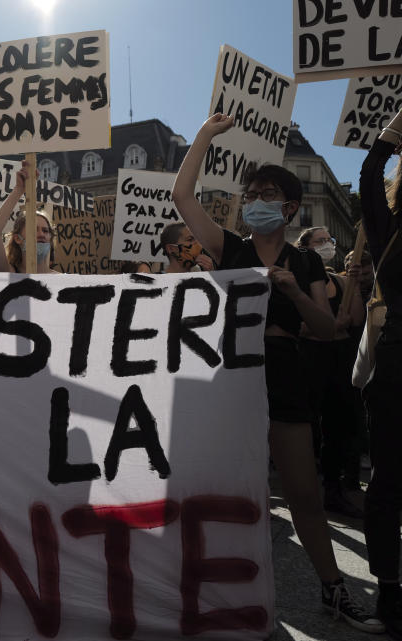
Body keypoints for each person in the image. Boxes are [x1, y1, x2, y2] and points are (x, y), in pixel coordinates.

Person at [172, 114, 382, 633]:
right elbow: (182, 198)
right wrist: (203, 136)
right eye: (250, 193)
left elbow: (328, 327)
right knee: (217, 486)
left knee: (303, 492)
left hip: (283, 374)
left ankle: (334, 589)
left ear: (289, 207)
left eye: (266, 194)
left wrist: (289, 290)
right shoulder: (228, 249)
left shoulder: (306, 263)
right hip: (228, 375)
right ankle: (197, 590)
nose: (254, 201)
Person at [358, 107, 402, 640]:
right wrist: (394, 130)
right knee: (389, 483)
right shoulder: (389, 225)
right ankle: (391, 596)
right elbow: (371, 175)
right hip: (397, 365)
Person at [295, 227, 365, 519]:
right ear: (306, 248)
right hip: (312, 357)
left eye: (329, 240)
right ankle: (308, 487)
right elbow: (297, 326)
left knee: (340, 425)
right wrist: (330, 326)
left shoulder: (341, 280)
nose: (327, 244)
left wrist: (356, 286)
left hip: (342, 357)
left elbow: (356, 320)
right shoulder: (298, 284)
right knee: (310, 424)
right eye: (320, 241)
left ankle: (334, 488)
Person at [0, 162, 59, 274]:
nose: (41, 234)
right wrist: (19, 189)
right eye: (34, 229)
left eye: (45, 231)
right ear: (17, 239)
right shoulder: (9, 274)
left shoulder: (63, 280)